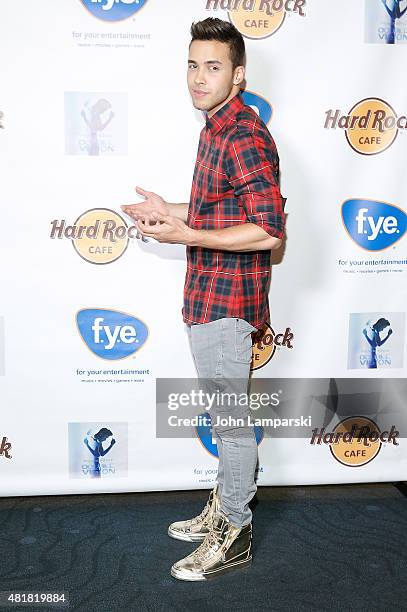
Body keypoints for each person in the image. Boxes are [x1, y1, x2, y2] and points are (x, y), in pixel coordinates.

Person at [122, 17, 286, 581]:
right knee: (225, 415)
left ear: (238, 75)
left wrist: (187, 234)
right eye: (193, 65)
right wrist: (169, 210)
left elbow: (269, 229)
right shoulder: (215, 126)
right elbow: (224, 213)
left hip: (227, 302)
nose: (198, 77)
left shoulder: (243, 133)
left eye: (213, 67)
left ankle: (234, 530)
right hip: (206, 294)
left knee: (233, 422)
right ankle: (223, 507)